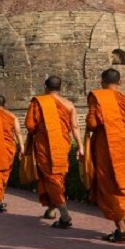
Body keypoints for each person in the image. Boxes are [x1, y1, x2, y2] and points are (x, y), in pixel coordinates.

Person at [84, 68, 125, 243]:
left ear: (103, 81)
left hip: (108, 146)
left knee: (109, 185)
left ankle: (122, 230)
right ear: (120, 82)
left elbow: (93, 123)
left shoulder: (98, 97)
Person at [25, 76, 83, 229]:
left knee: (51, 178)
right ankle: (51, 209)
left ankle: (64, 215)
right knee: (57, 177)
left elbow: (30, 125)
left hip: (45, 146)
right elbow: (75, 127)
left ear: (45, 87)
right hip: (63, 146)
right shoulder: (69, 104)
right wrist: (80, 146)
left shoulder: (39, 102)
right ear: (60, 88)